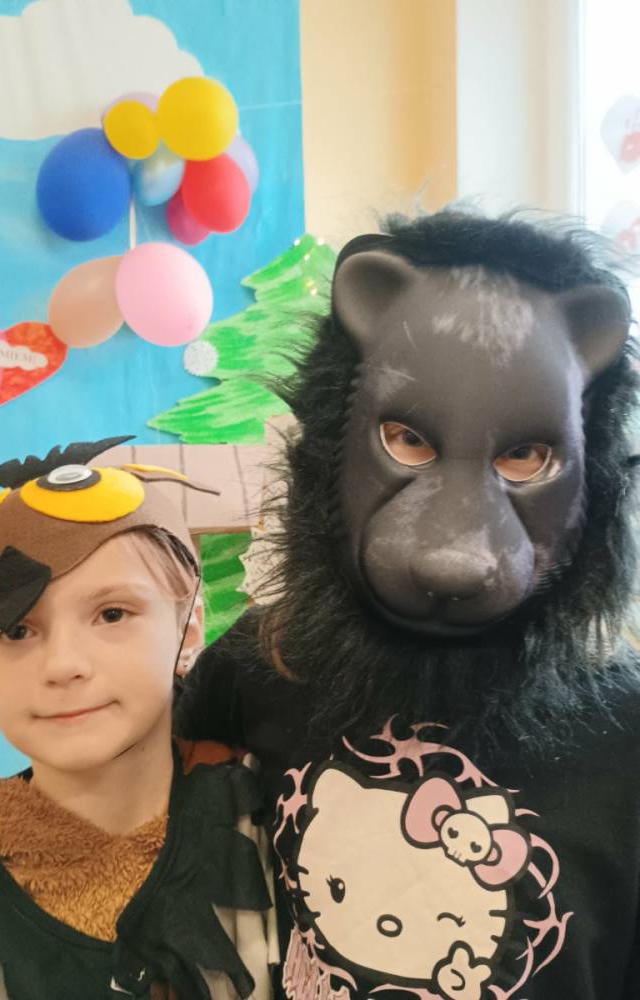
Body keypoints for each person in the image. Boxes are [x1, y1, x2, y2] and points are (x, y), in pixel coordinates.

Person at [178, 211, 640, 999]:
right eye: (408, 442)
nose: (454, 554)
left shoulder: (626, 735)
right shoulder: (253, 671)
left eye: (525, 457)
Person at [0, 436, 274, 1000]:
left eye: (112, 613)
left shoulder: (272, 816)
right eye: (17, 630)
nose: (63, 665)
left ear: (188, 629)